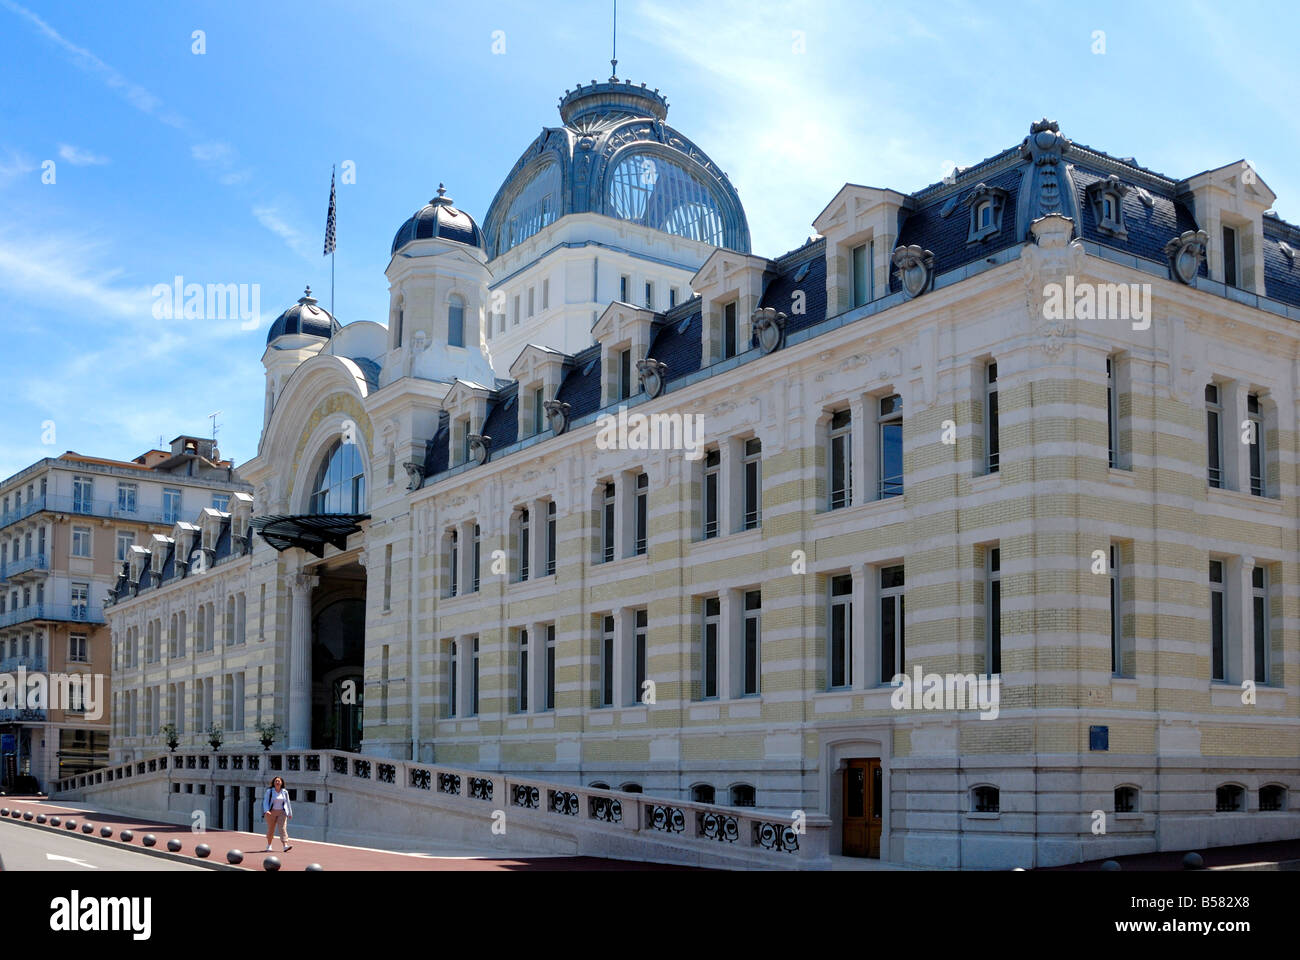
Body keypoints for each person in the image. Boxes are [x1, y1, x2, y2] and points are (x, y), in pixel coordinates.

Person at [262, 776, 293, 853]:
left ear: (281, 783)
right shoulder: (269, 791)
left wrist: (289, 813)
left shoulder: (285, 792)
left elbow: (288, 803)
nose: (277, 782)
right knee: (271, 829)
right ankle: (269, 845)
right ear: (273, 783)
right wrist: (266, 810)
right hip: (271, 812)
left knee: (282, 828)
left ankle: (285, 846)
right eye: (276, 781)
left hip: (282, 812)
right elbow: (265, 801)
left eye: (279, 781)